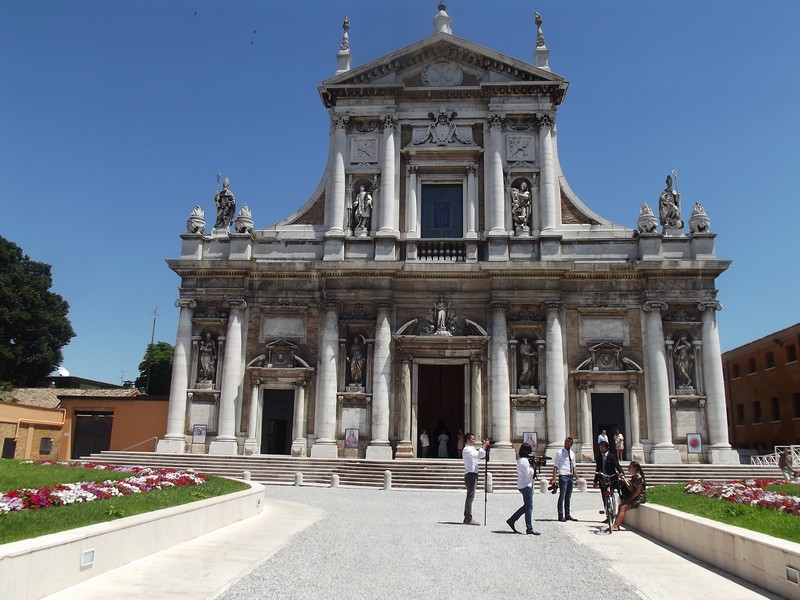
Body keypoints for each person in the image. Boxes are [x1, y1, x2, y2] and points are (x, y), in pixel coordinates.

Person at [506, 443, 540, 535]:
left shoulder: (520, 460)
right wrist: (534, 466)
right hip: (526, 485)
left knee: (527, 506)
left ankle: (512, 520)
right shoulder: (524, 461)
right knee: (529, 507)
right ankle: (529, 528)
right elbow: (529, 473)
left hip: (524, 484)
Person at [462, 433, 490, 525]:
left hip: (473, 473)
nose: (474, 441)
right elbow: (479, 455)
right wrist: (484, 446)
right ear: (468, 440)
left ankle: (467, 517)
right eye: (473, 439)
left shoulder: (470, 449)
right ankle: (468, 518)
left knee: (469, 496)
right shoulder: (467, 450)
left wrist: (482, 449)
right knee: (470, 497)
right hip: (470, 474)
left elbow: (479, 455)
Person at [551, 437, 579, 522]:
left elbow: (574, 466)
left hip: (570, 476)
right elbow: (555, 466)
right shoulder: (559, 453)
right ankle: (560, 515)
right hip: (563, 475)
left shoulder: (572, 453)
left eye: (568, 443)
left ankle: (567, 514)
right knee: (562, 496)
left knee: (568, 496)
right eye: (565, 442)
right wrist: (554, 478)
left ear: (571, 444)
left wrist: (577, 478)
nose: (566, 444)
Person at [613, 461, 647, 531]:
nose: (628, 468)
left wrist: (630, 499)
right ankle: (617, 524)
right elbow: (630, 488)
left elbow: (638, 491)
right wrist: (624, 479)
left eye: (630, 467)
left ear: (635, 468)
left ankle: (616, 526)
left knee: (623, 507)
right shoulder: (634, 477)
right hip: (634, 497)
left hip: (638, 498)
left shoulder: (639, 478)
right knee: (620, 506)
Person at [594, 440, 624, 510]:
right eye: (600, 447)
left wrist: (621, 473)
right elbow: (597, 469)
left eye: (602, 447)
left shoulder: (612, 456)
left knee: (614, 491)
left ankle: (618, 505)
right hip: (602, 477)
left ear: (607, 448)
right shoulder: (599, 457)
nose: (601, 449)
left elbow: (617, 465)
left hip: (611, 476)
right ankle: (607, 511)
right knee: (604, 495)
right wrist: (595, 481)